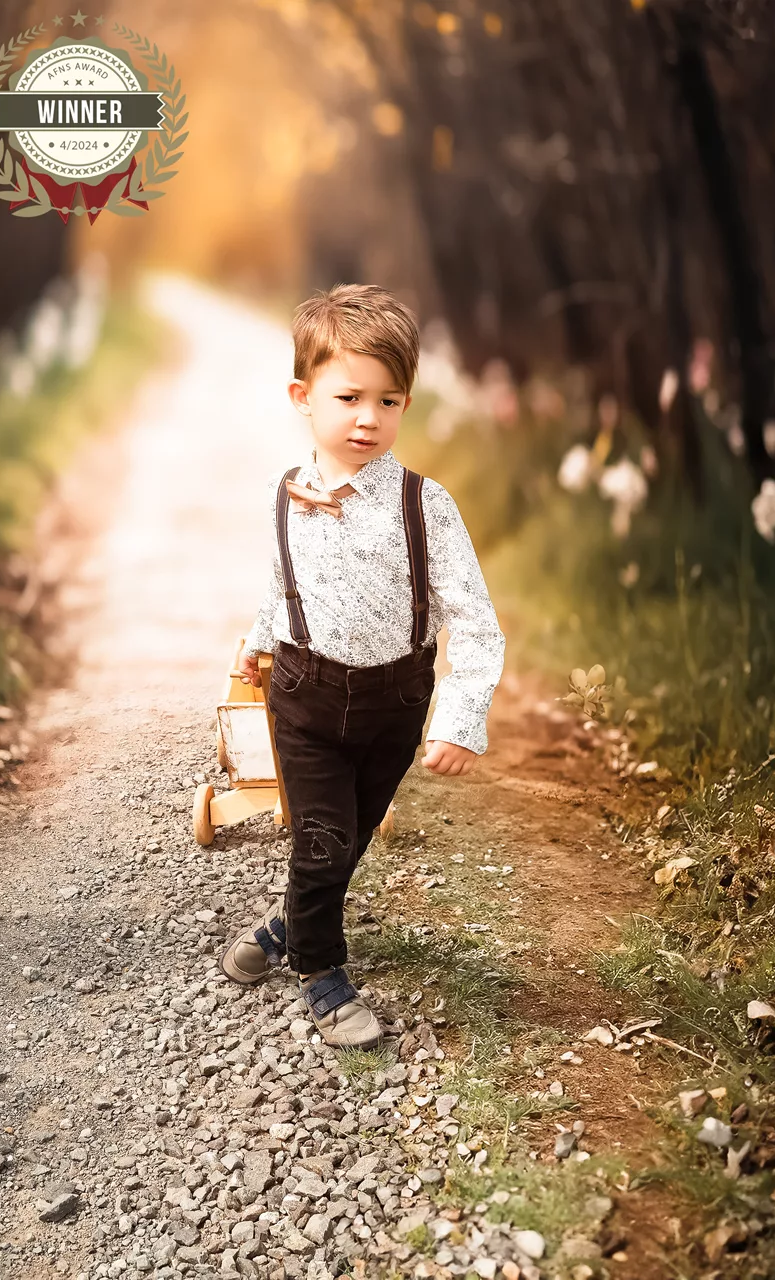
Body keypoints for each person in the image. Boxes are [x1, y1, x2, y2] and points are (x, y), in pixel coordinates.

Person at [219, 283, 505, 1050]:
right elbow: (281, 585)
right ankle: (322, 975)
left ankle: (286, 924)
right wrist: (258, 637)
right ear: (302, 397)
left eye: (388, 400)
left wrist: (460, 717)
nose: (367, 418)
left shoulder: (424, 505)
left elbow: (475, 621)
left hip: (394, 702)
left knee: (348, 839)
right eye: (348, 397)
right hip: (304, 693)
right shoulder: (284, 495)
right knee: (319, 839)